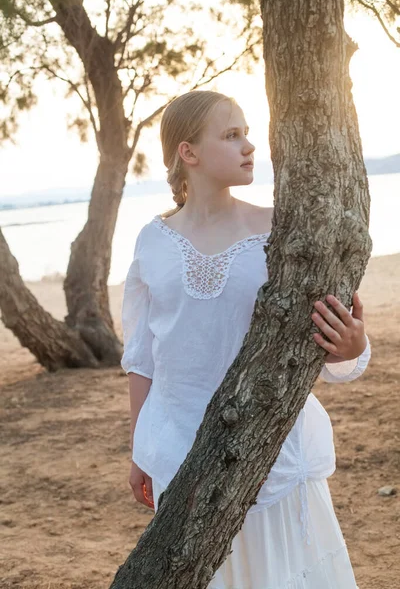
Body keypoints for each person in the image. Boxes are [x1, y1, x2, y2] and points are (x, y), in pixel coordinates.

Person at [121, 90, 371, 588]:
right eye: (231, 136)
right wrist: (141, 450)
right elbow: (143, 357)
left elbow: (317, 339)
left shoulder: (279, 229)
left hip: (268, 445)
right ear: (187, 153)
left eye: (247, 133)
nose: (249, 146)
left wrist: (353, 347)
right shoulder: (153, 242)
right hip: (180, 449)